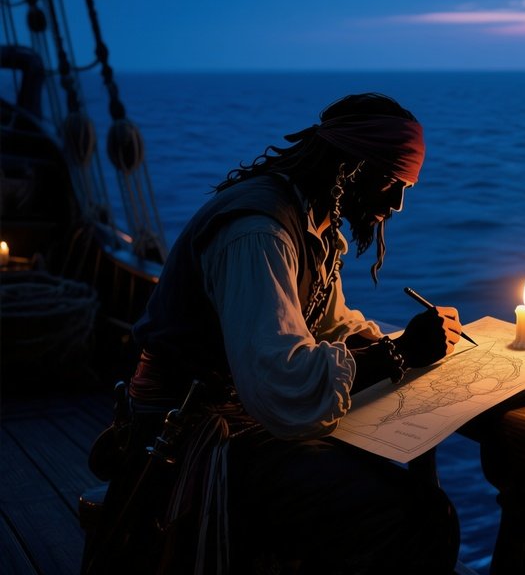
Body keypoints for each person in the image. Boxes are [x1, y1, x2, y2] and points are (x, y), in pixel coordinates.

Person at [98, 93, 462, 574]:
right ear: (350, 167)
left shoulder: (312, 222)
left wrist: (401, 346)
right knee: (420, 518)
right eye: (393, 182)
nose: (396, 203)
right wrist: (400, 354)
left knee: (408, 500)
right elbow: (279, 382)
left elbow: (332, 326)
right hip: (195, 435)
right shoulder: (259, 232)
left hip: (241, 419)